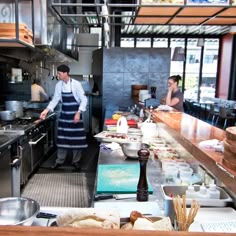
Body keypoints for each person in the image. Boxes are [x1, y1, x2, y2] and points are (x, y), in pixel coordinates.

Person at [40, 64, 88, 170]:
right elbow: (55, 99)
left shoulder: (76, 84)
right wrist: (46, 110)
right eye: (58, 73)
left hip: (75, 115)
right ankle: (59, 161)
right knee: (62, 139)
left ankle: (76, 161)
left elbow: (84, 99)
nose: (58, 75)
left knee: (77, 139)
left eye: (59, 73)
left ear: (66, 73)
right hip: (65, 116)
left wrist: (79, 112)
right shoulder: (59, 85)